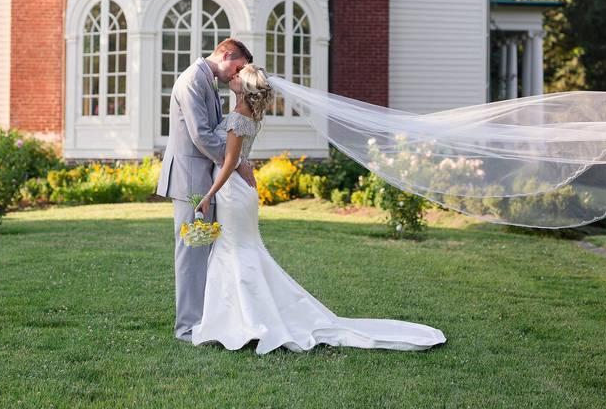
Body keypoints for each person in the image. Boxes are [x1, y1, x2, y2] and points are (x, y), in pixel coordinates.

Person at [189, 64, 446, 355]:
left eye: (238, 76)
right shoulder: (245, 115)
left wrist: (209, 194)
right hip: (239, 191)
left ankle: (246, 320)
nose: (232, 77)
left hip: (231, 192)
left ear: (245, 88)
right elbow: (237, 158)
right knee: (239, 251)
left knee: (236, 252)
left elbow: (230, 162)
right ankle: (238, 317)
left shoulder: (238, 118)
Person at [156, 38, 257, 343]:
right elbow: (201, 134)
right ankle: (187, 328)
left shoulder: (208, 80)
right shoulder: (191, 81)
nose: (237, 75)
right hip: (190, 180)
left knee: (205, 252)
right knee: (190, 254)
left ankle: (205, 320)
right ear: (226, 54)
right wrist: (236, 162)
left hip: (205, 178)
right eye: (238, 67)